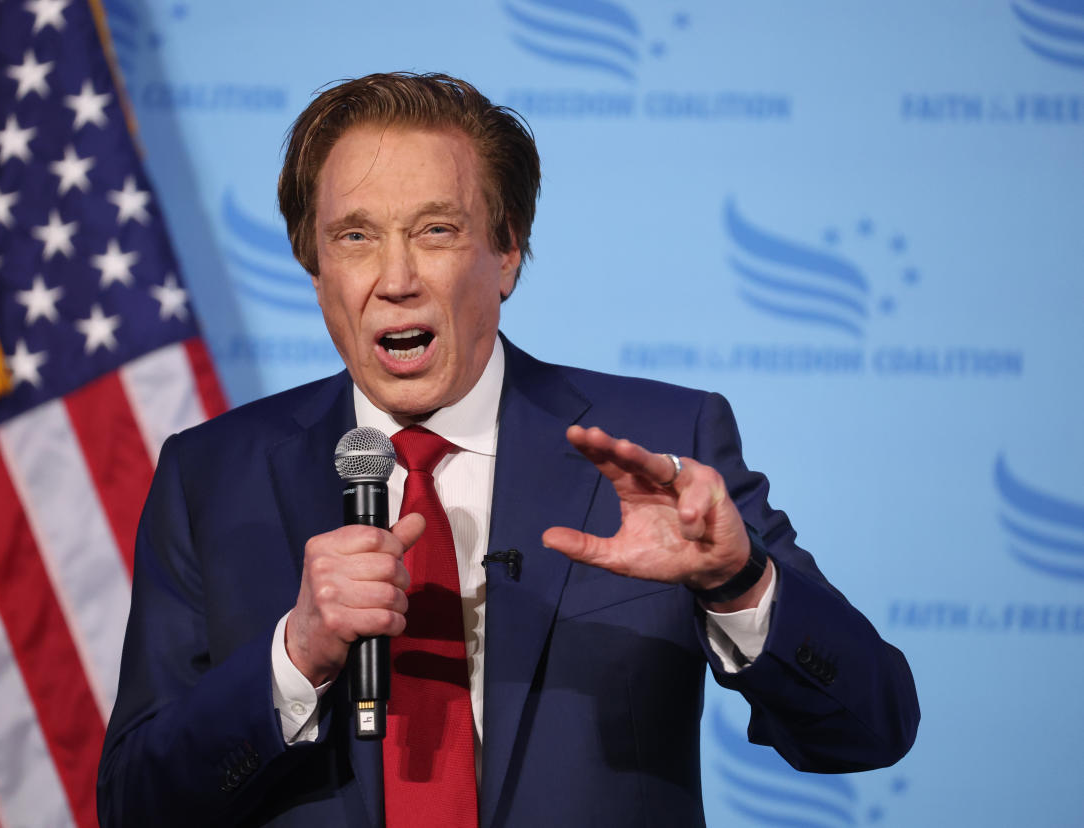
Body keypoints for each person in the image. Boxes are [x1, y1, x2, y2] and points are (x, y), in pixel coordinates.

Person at [97, 72, 919, 827]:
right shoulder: (210, 477)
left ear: (508, 253)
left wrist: (736, 583)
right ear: (314, 268)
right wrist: (293, 659)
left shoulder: (661, 448)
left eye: (436, 231)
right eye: (354, 237)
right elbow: (135, 805)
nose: (395, 277)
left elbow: (872, 726)